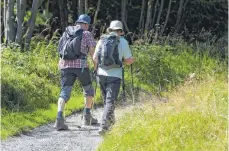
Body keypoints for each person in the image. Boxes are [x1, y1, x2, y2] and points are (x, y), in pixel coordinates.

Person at [54, 14, 98, 130]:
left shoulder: (67, 32)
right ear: (86, 24)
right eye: (88, 25)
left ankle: (59, 119)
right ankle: (87, 116)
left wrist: (60, 64)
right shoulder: (86, 33)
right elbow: (93, 52)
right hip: (81, 66)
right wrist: (95, 66)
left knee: (64, 92)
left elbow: (61, 49)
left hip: (65, 66)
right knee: (88, 89)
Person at [93, 20, 135, 134]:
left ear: (110, 30)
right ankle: (104, 126)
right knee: (110, 101)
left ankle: (111, 122)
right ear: (121, 31)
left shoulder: (102, 40)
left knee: (106, 101)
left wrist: (97, 68)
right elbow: (128, 60)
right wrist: (132, 60)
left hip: (101, 74)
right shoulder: (123, 41)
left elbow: (95, 58)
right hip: (115, 76)